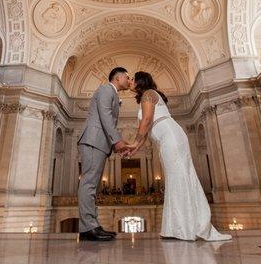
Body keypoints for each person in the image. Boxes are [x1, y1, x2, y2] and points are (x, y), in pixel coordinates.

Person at [125, 71, 232, 241]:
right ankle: (177, 227)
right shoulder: (146, 97)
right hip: (166, 138)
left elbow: (146, 120)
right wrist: (134, 148)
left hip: (171, 137)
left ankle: (186, 227)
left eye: (132, 79)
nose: (129, 81)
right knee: (177, 179)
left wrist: (134, 143)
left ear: (140, 82)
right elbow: (145, 131)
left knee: (180, 178)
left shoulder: (149, 94)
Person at [77, 67, 131, 241]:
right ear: (118, 77)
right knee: (89, 184)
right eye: (127, 77)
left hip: (99, 142)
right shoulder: (106, 89)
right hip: (94, 141)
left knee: (93, 186)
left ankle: (92, 225)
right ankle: (88, 228)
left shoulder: (112, 92)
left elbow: (106, 119)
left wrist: (116, 146)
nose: (129, 81)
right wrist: (117, 140)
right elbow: (105, 115)